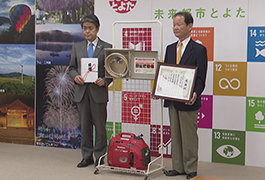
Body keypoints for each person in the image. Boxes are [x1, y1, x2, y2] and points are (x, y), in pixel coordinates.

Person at [163, 12, 208, 179]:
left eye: (179, 24)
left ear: (190, 27)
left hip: (189, 101)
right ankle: (177, 167)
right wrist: (159, 89)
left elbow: (201, 78)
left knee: (189, 136)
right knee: (175, 134)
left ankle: (190, 169)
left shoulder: (199, 49)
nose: (175, 27)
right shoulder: (169, 48)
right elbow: (166, 75)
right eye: (174, 24)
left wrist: (195, 93)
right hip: (172, 99)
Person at [68, 14, 112, 168]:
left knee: (100, 127)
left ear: (97, 29)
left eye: (90, 28)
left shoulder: (107, 47)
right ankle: (87, 156)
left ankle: (100, 157)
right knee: (85, 126)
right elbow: (71, 68)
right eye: (84, 28)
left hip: (98, 92)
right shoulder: (77, 47)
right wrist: (75, 77)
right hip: (82, 92)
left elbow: (112, 71)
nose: (87, 31)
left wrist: (105, 80)